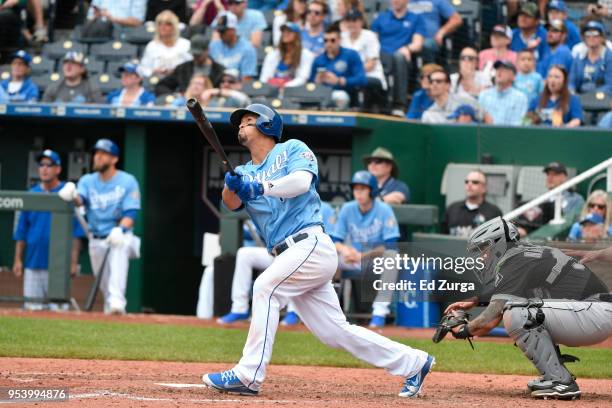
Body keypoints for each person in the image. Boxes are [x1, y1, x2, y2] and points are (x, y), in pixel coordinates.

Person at [201, 103, 435, 398]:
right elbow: (231, 203)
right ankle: (414, 362)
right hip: (286, 253)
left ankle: (248, 375)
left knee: (265, 288)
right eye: (240, 122)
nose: (241, 126)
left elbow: (301, 182)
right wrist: (232, 185)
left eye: (249, 120)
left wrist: (260, 187)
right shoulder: (245, 170)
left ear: (267, 125)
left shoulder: (291, 149)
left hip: (310, 243)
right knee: (335, 332)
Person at [444, 217, 611, 400]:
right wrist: (475, 300)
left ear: (498, 244)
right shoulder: (522, 255)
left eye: (484, 248)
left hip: (594, 312)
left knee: (518, 312)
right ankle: (553, 376)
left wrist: (463, 330)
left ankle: (561, 382)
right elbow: (496, 311)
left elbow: (493, 314)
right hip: (590, 312)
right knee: (519, 309)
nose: (482, 256)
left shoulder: (517, 260)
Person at [218, 202, 337, 326]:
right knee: (244, 254)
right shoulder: (281, 202)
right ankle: (239, 308)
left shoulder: (323, 207)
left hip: (306, 255)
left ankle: (293, 312)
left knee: (296, 260)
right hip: (278, 253)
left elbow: (332, 238)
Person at [58, 139, 141, 315]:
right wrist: (73, 194)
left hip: (119, 235)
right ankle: (112, 306)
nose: (97, 157)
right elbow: (82, 200)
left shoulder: (127, 181)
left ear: (114, 159)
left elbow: (131, 213)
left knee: (119, 248)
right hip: (96, 238)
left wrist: (121, 229)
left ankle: (117, 303)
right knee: (104, 284)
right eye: (96, 153)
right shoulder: (88, 180)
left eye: (103, 154)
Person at [12, 149, 83, 311]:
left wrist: (73, 263)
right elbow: (22, 230)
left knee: (58, 311)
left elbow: (76, 233)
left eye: (49, 165)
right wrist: (18, 259)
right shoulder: (32, 194)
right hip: (33, 262)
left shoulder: (67, 193)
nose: (44, 168)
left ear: (58, 169)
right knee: (32, 309)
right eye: (41, 164)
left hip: (59, 265)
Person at [331, 171, 402, 328]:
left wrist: (362, 255)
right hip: (353, 259)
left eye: (363, 188)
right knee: (329, 257)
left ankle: (379, 312)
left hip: (374, 261)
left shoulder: (384, 209)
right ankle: (331, 310)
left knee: (393, 257)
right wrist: (345, 250)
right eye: (356, 189)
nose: (359, 193)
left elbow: (391, 244)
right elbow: (335, 240)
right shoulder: (347, 208)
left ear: (372, 190)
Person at [371, 0, 425, 116]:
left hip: (404, 59)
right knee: (380, 59)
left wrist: (407, 48)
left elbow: (418, 43)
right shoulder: (381, 18)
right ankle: (379, 104)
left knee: (398, 57)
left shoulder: (416, 18)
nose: (395, 1)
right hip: (382, 57)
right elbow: (372, 41)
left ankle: (399, 105)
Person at [516, 161, 585, 236]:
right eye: (548, 174)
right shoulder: (541, 200)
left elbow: (576, 223)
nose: (550, 177)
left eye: (554, 174)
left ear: (564, 177)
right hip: (538, 237)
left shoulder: (576, 199)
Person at [310, 24, 367, 109]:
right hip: (321, 96)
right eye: (325, 40)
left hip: (345, 95)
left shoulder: (351, 55)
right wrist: (316, 82)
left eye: (332, 40)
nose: (328, 44)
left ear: (340, 40)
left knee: (340, 96)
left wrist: (339, 81)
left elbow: (362, 79)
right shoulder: (318, 59)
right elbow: (309, 83)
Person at [341, 8, 387, 112]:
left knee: (358, 82)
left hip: (371, 75)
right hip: (349, 76)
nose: (351, 24)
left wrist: (351, 73)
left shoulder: (370, 36)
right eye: (349, 21)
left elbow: (371, 64)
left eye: (354, 20)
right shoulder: (342, 37)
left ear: (361, 21)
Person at [154, 34, 226, 97]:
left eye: (199, 55)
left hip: (211, 106)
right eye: (194, 54)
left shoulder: (219, 70)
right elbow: (162, 86)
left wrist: (214, 93)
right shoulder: (183, 69)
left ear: (207, 50)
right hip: (186, 104)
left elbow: (227, 90)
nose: (196, 57)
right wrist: (175, 96)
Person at [442, 170, 502, 237]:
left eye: (475, 182)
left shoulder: (494, 212)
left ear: (484, 188)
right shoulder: (452, 209)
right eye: (467, 182)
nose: (469, 184)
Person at [422, 69, 491, 124]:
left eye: (438, 81)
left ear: (448, 85)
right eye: (431, 81)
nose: (434, 84)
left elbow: (486, 117)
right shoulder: (428, 114)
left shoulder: (464, 100)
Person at [259, 22, 314, 88]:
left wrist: (284, 86)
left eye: (289, 31)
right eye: (283, 31)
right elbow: (264, 78)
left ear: (297, 35)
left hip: (295, 92)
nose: (285, 34)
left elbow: (302, 79)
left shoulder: (306, 55)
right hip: (272, 90)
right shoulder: (273, 55)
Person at [139, 10, 192, 78]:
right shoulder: (152, 46)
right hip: (158, 81)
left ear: (174, 27)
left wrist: (176, 71)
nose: (163, 27)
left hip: (180, 80)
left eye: (168, 24)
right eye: (160, 24)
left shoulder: (185, 44)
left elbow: (191, 66)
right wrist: (153, 71)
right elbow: (143, 69)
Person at [209, 11, 258, 80]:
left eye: (223, 31)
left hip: (235, 87)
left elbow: (247, 79)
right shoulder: (214, 46)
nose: (220, 34)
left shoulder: (248, 49)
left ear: (233, 29)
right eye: (219, 31)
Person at [478, 61, 528, 126]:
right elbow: (478, 120)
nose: (499, 72)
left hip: (510, 134)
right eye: (497, 69)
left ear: (513, 77)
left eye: (504, 70)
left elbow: (518, 124)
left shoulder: (520, 97)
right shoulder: (484, 95)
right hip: (485, 134)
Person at [569, 20, 612, 95]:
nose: (591, 37)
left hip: (603, 99)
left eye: (595, 34)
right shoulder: (579, 57)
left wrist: (591, 95)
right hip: (580, 96)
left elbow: (610, 85)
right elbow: (571, 81)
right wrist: (571, 91)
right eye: (588, 34)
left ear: (602, 38)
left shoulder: (609, 57)